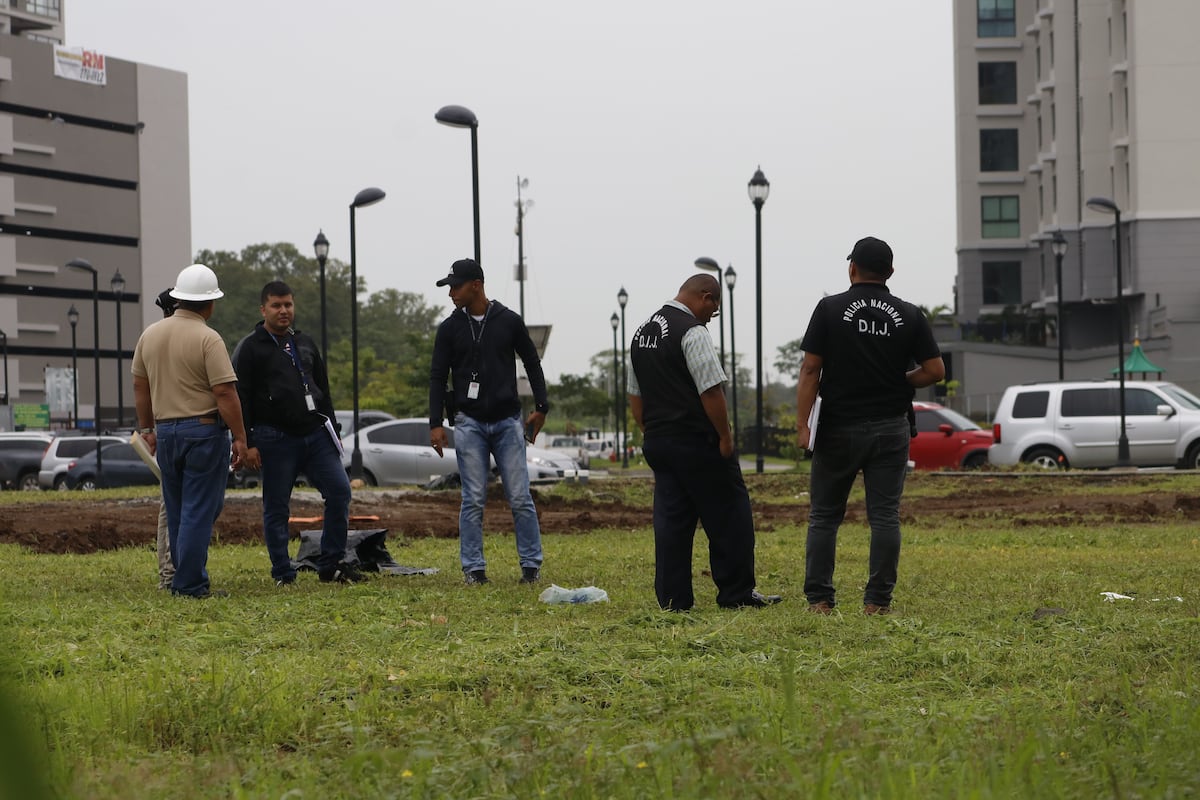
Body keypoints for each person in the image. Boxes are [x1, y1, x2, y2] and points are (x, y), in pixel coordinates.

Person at [795, 236, 945, 616]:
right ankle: (877, 602)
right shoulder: (909, 314)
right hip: (890, 429)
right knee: (884, 516)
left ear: (852, 268)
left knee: (825, 516)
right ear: (890, 273)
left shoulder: (829, 309)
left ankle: (820, 601)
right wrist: (901, 380)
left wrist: (802, 426)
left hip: (837, 429)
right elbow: (935, 371)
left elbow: (811, 369)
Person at [628, 273, 781, 611]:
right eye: (715, 307)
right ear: (706, 296)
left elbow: (635, 394)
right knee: (730, 515)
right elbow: (711, 389)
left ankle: (673, 600)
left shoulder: (642, 332)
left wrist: (649, 430)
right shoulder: (692, 331)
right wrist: (725, 437)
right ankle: (736, 593)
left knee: (671, 522)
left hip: (660, 441)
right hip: (697, 441)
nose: (713, 314)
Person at [232, 281, 362, 586]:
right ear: (263, 309)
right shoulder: (250, 348)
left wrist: (333, 429)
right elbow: (242, 398)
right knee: (277, 506)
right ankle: (283, 573)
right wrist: (247, 442)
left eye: (288, 304)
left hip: (315, 435)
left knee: (340, 491)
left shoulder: (304, 342)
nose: (284, 311)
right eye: (276, 306)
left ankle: (331, 565)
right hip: (274, 438)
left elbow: (322, 389)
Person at [131, 263, 249, 599]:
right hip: (203, 431)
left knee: (180, 507)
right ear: (210, 304)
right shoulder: (208, 338)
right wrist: (240, 436)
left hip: (166, 433)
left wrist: (147, 428)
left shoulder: (150, 335)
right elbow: (225, 393)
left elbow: (140, 386)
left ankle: (181, 577)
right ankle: (191, 584)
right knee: (200, 509)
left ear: (180, 299)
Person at [428, 258, 548, 585]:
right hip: (469, 423)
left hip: (508, 421)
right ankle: (473, 569)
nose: (451, 292)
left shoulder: (508, 321)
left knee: (519, 495)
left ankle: (531, 566)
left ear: (476, 285)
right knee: (473, 498)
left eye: (456, 286)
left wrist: (541, 405)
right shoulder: (450, 328)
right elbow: (438, 376)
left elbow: (532, 363)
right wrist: (435, 423)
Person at [152, 287, 178, 590]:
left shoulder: (154, 338)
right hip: (184, 428)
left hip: (164, 427)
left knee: (167, 505)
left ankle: (167, 573)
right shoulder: (183, 338)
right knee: (179, 505)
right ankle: (171, 573)